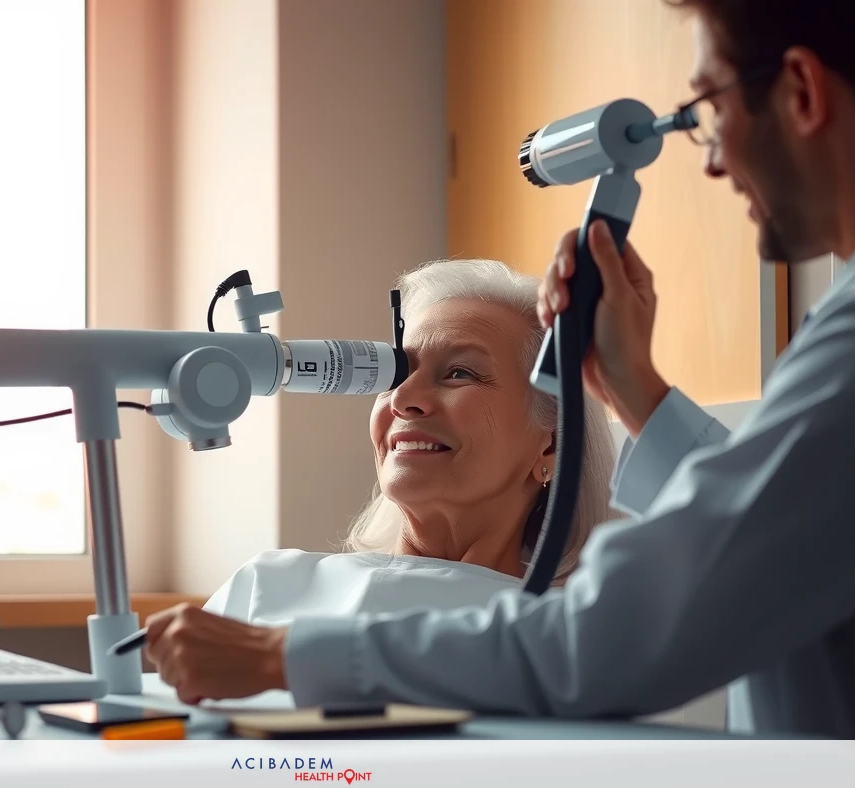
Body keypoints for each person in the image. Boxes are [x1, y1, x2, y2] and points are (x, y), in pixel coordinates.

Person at [142, 0, 855, 738]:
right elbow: (763, 542)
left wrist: (285, 654)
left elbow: (624, 635)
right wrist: (635, 390)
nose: (707, 157)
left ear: (801, 91)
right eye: (404, 372)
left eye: (707, 107)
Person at [203, 259, 616, 626]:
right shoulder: (266, 585)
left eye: (460, 373)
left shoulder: (566, 633)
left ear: (550, 447)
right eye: (395, 374)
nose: (401, 399)